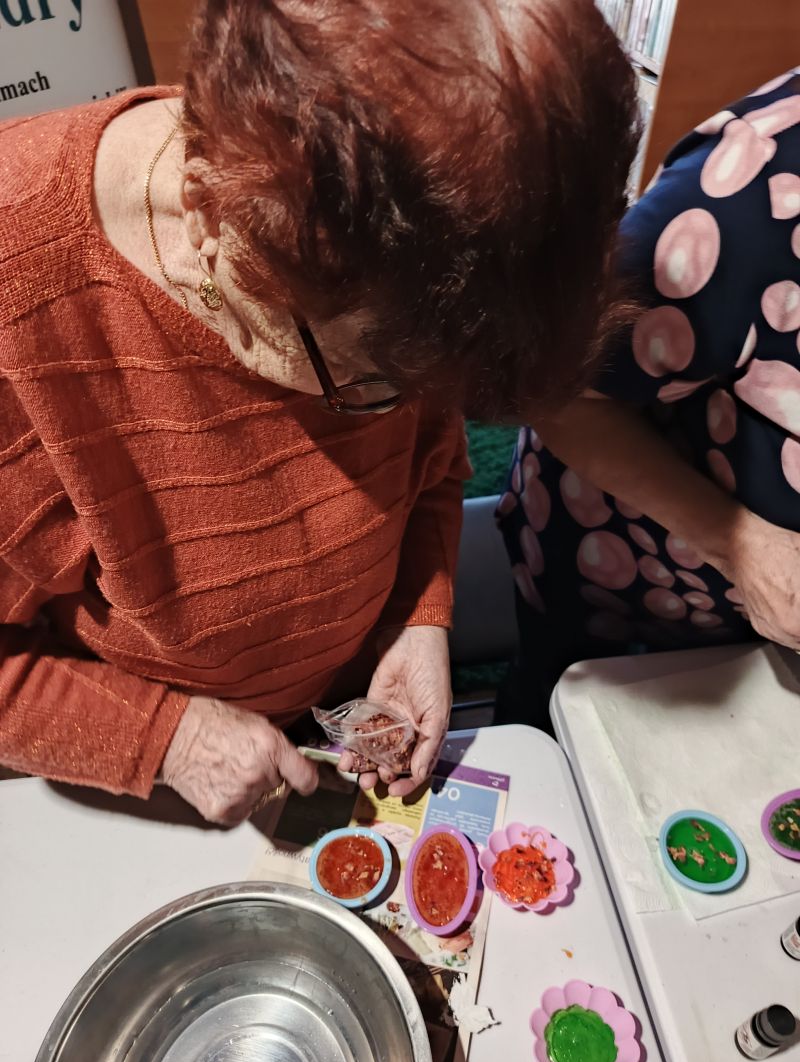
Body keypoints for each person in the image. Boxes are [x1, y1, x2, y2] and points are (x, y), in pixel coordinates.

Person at [0, 0, 638, 821]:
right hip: (154, 789)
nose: (402, 411)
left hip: (325, 720)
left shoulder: (393, 250)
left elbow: (432, 463)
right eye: (372, 384)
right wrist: (165, 739)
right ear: (208, 214)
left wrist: (417, 618)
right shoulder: (23, 290)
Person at [500, 68, 800, 723]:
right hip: (625, 578)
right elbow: (552, 392)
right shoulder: (746, 196)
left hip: (761, 641)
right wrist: (740, 544)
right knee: (561, 722)